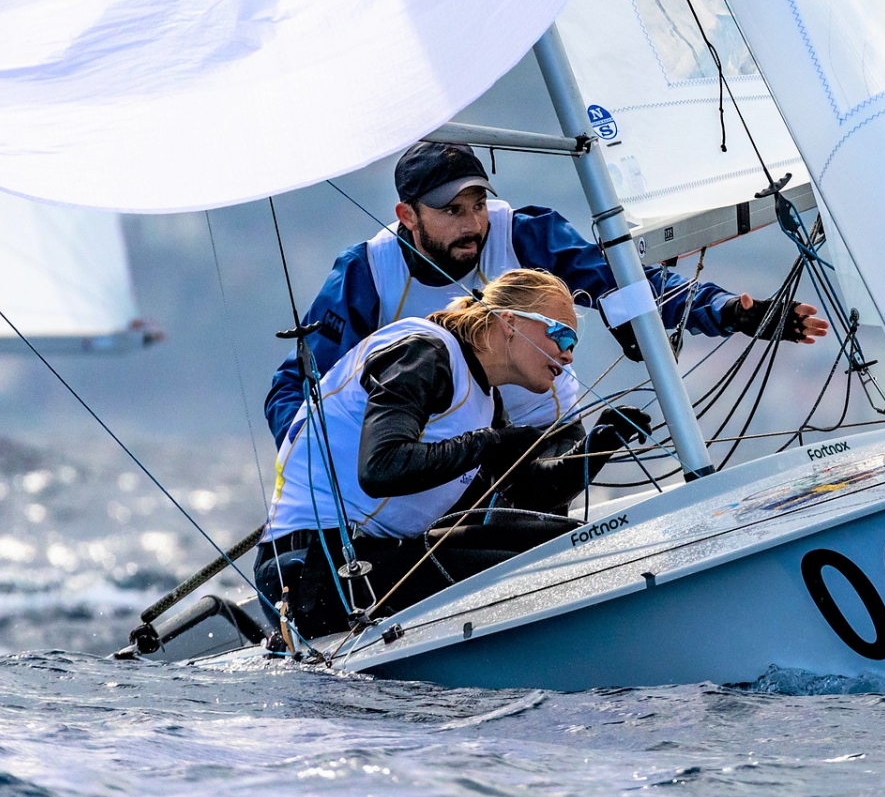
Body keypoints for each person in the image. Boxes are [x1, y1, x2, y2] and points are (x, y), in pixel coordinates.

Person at [263, 140, 829, 446]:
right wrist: (316, 461)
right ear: (406, 215)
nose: (472, 223)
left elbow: (630, 287)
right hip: (434, 460)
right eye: (451, 211)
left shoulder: (526, 234)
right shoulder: (367, 274)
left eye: (478, 204)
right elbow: (299, 385)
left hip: (541, 439)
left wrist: (732, 313)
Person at [256, 269, 645, 638]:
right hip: (307, 571)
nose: (568, 355)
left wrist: (600, 445)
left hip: (375, 554)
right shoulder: (424, 353)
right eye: (561, 335)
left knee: (568, 542)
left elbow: (530, 495)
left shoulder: (486, 400)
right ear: (509, 323)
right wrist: (489, 443)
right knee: (538, 573)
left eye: (573, 344)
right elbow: (380, 468)